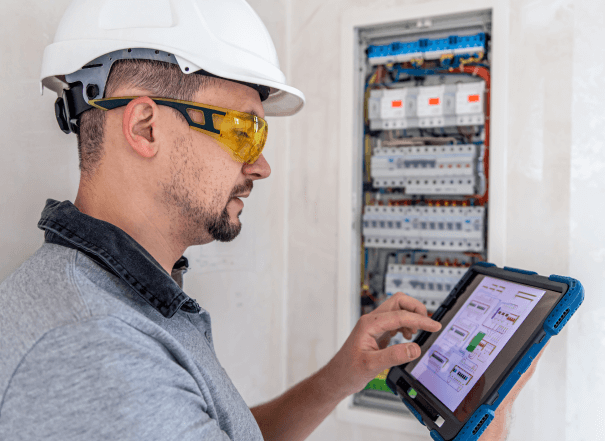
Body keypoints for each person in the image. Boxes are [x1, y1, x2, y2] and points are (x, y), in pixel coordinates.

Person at [0, 1, 542, 440]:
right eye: (244, 130)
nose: (260, 165)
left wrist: (339, 377)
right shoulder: (96, 353)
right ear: (145, 127)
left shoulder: (116, 301)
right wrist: (485, 429)